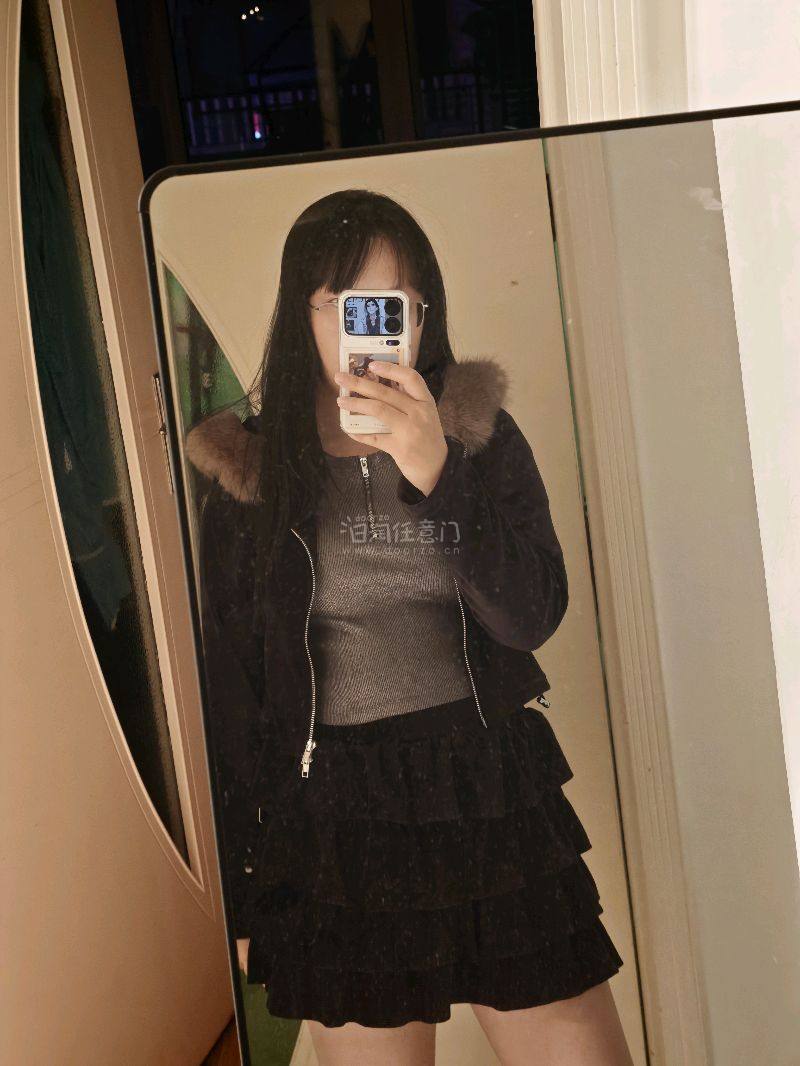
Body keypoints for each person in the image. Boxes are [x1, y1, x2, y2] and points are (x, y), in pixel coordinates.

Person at [186, 189, 632, 1065]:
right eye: (344, 303)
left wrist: (435, 470)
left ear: (423, 316)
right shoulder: (248, 472)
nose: (370, 329)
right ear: (303, 313)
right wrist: (242, 890)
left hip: (488, 788)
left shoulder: (478, 439)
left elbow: (530, 616)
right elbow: (234, 701)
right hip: (335, 820)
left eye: (394, 305)